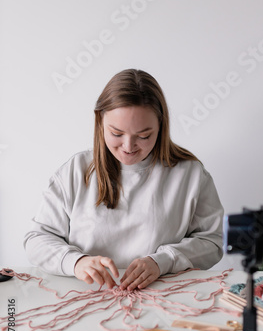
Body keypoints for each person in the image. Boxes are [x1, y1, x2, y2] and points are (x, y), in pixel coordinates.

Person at [24, 69, 224, 291]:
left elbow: (212, 243)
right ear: (100, 122)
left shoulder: (190, 174)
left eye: (144, 136)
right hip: (83, 295)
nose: (128, 147)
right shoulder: (76, 170)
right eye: (117, 134)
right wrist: (76, 262)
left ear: (161, 126)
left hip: (162, 297)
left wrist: (162, 261)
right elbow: (37, 239)